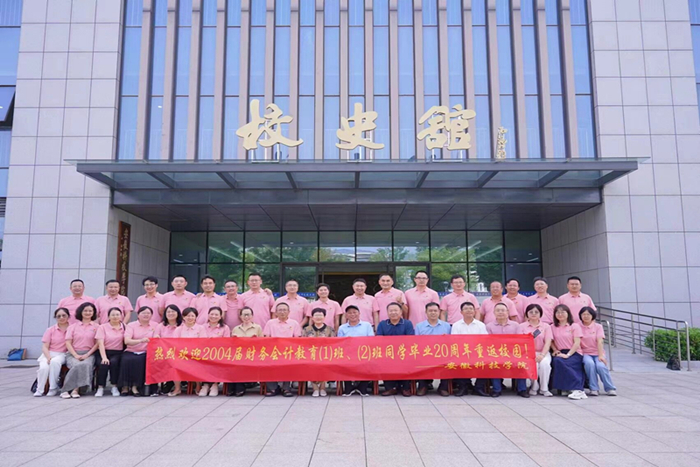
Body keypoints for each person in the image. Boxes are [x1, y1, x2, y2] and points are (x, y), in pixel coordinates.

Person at [483, 303, 528, 398]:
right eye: (498, 310)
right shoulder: (489, 326)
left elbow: (519, 341)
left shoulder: (516, 325)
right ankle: (496, 389)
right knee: (493, 362)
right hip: (496, 353)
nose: (500, 312)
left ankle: (522, 389)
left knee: (521, 362)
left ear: (508, 312)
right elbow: (488, 343)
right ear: (494, 313)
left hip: (513, 353)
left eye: (503, 310)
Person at [60, 302, 99, 399]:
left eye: (90, 311)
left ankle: (75, 390)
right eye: (85, 310)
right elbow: (68, 342)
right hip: (73, 353)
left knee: (85, 364)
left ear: (93, 313)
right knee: (77, 365)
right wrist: (75, 355)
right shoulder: (73, 327)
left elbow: (97, 344)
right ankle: (67, 390)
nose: (88, 313)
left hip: (89, 354)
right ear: (81, 312)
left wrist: (87, 354)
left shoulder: (97, 327)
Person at [263, 302, 302, 397]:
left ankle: (286, 388)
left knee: (288, 363)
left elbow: (297, 339)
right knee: (266, 362)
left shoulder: (294, 323)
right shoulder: (270, 323)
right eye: (280, 310)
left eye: (284, 310)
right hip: (273, 351)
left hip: (289, 352)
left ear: (289, 312)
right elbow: (266, 338)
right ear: (276, 312)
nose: (282, 312)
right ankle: (273, 388)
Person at [377, 302, 415, 397]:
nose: (393, 312)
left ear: (401, 312)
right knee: (383, 361)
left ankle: (405, 388)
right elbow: (379, 339)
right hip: (387, 352)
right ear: (387, 312)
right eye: (391, 311)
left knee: (407, 360)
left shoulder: (407, 323)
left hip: (404, 351)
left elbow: (410, 339)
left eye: (395, 310)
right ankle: (390, 388)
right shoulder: (382, 324)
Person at [119, 306, 158, 397]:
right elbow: (127, 341)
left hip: (146, 351)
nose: (146, 315)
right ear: (138, 315)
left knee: (141, 360)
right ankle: (125, 386)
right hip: (131, 350)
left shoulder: (155, 325)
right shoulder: (131, 325)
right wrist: (140, 341)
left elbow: (157, 338)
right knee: (126, 360)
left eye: (148, 313)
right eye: (143, 313)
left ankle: (135, 387)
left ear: (151, 315)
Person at [450, 301, 488, 396]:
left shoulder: (481, 325)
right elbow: (455, 341)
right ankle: (463, 387)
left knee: (487, 363)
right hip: (462, 352)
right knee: (456, 362)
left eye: (471, 309)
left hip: (477, 352)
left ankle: (478, 388)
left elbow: (484, 341)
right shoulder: (456, 325)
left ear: (474, 311)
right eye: (466, 309)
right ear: (461, 312)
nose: (468, 311)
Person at [414, 302, 451, 396]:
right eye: (430, 311)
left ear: (439, 312)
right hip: (425, 354)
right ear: (426, 312)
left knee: (448, 362)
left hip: (442, 354)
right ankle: (423, 386)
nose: (433, 313)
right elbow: (416, 343)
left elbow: (451, 342)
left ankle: (443, 388)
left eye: (435, 311)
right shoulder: (419, 326)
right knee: (420, 361)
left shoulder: (447, 326)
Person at [551, 304, 587, 400]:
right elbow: (550, 341)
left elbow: (577, 343)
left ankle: (578, 389)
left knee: (568, 363)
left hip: (574, 352)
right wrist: (555, 350)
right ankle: (565, 388)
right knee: (557, 361)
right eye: (558, 312)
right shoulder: (552, 327)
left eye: (563, 312)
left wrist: (568, 355)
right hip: (561, 352)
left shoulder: (574, 326)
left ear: (568, 314)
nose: (560, 314)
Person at [337, 305, 374, 396]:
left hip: (364, 352)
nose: (352, 314)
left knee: (367, 362)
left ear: (359, 314)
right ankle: (348, 388)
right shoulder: (342, 327)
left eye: (354, 312)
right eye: (349, 313)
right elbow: (339, 343)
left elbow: (371, 340)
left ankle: (363, 388)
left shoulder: (367, 325)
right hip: (348, 353)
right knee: (344, 362)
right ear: (346, 315)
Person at [579, 306, 617, 396]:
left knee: (601, 366)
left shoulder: (598, 327)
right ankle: (594, 388)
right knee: (589, 364)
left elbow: (600, 341)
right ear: (580, 316)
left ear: (592, 315)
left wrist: (601, 355)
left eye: (588, 314)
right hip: (585, 353)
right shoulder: (577, 326)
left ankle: (610, 388)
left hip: (597, 352)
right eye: (584, 314)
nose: (586, 316)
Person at [520, 303, 553, 397]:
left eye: (536, 312)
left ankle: (544, 389)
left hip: (543, 352)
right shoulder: (522, 326)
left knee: (545, 365)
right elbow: (520, 343)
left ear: (540, 314)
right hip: (528, 353)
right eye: (531, 312)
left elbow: (548, 342)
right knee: (534, 365)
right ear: (527, 314)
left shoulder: (546, 326)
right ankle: (534, 387)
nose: (533, 314)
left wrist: (542, 355)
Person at [35, 308, 70, 397]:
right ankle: (39, 389)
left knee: (55, 362)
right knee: (43, 368)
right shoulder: (50, 330)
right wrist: (48, 357)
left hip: (63, 354)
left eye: (64, 315)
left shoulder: (72, 329)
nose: (61, 318)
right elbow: (45, 347)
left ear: (68, 316)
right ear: (55, 317)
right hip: (49, 353)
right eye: (59, 316)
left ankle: (53, 388)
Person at [230, 306, 263, 397]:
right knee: (234, 363)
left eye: (248, 315)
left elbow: (262, 343)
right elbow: (232, 345)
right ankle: (235, 387)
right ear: (240, 316)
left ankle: (239, 387)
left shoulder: (257, 328)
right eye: (244, 315)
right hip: (239, 355)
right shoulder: (236, 329)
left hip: (253, 355)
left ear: (252, 316)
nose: (246, 317)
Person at [303, 308, 336, 397]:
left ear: (324, 317)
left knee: (325, 365)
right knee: (310, 365)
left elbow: (333, 343)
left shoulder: (330, 329)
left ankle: (322, 387)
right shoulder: (306, 329)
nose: (318, 317)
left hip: (326, 354)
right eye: (316, 315)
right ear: (312, 317)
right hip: (310, 355)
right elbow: (302, 343)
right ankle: (315, 388)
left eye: (320, 315)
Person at [199, 306, 231, 397]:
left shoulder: (225, 328)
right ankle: (205, 384)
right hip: (204, 352)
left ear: (220, 316)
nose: (214, 316)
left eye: (216, 315)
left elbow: (227, 342)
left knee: (217, 361)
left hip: (219, 353)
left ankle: (215, 384)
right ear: (208, 315)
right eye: (212, 314)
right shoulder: (202, 327)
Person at [95, 307, 126, 397]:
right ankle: (100, 387)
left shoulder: (124, 327)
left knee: (114, 363)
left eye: (117, 315)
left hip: (117, 352)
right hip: (103, 351)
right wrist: (104, 357)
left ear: (121, 316)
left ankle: (114, 386)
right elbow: (100, 343)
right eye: (113, 315)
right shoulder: (102, 327)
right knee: (103, 364)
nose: (115, 317)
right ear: (108, 317)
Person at [154, 304, 183, 396]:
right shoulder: (160, 326)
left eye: (173, 311)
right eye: (168, 312)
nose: (171, 313)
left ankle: (177, 387)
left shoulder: (183, 325)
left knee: (175, 361)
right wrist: (157, 337)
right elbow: (155, 338)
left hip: (180, 352)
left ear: (178, 313)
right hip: (164, 352)